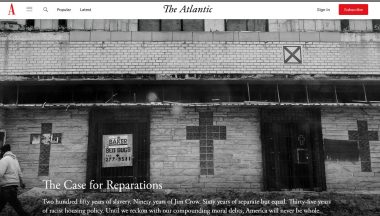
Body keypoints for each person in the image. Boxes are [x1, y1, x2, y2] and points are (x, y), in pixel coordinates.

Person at [0, 144, 30, 216]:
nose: (0, 153)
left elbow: (0, 173)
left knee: (19, 209)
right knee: (18, 209)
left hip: (6, 188)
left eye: (0, 151)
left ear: (3, 151)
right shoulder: (15, 160)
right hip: (13, 188)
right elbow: (19, 172)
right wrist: (22, 182)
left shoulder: (4, 160)